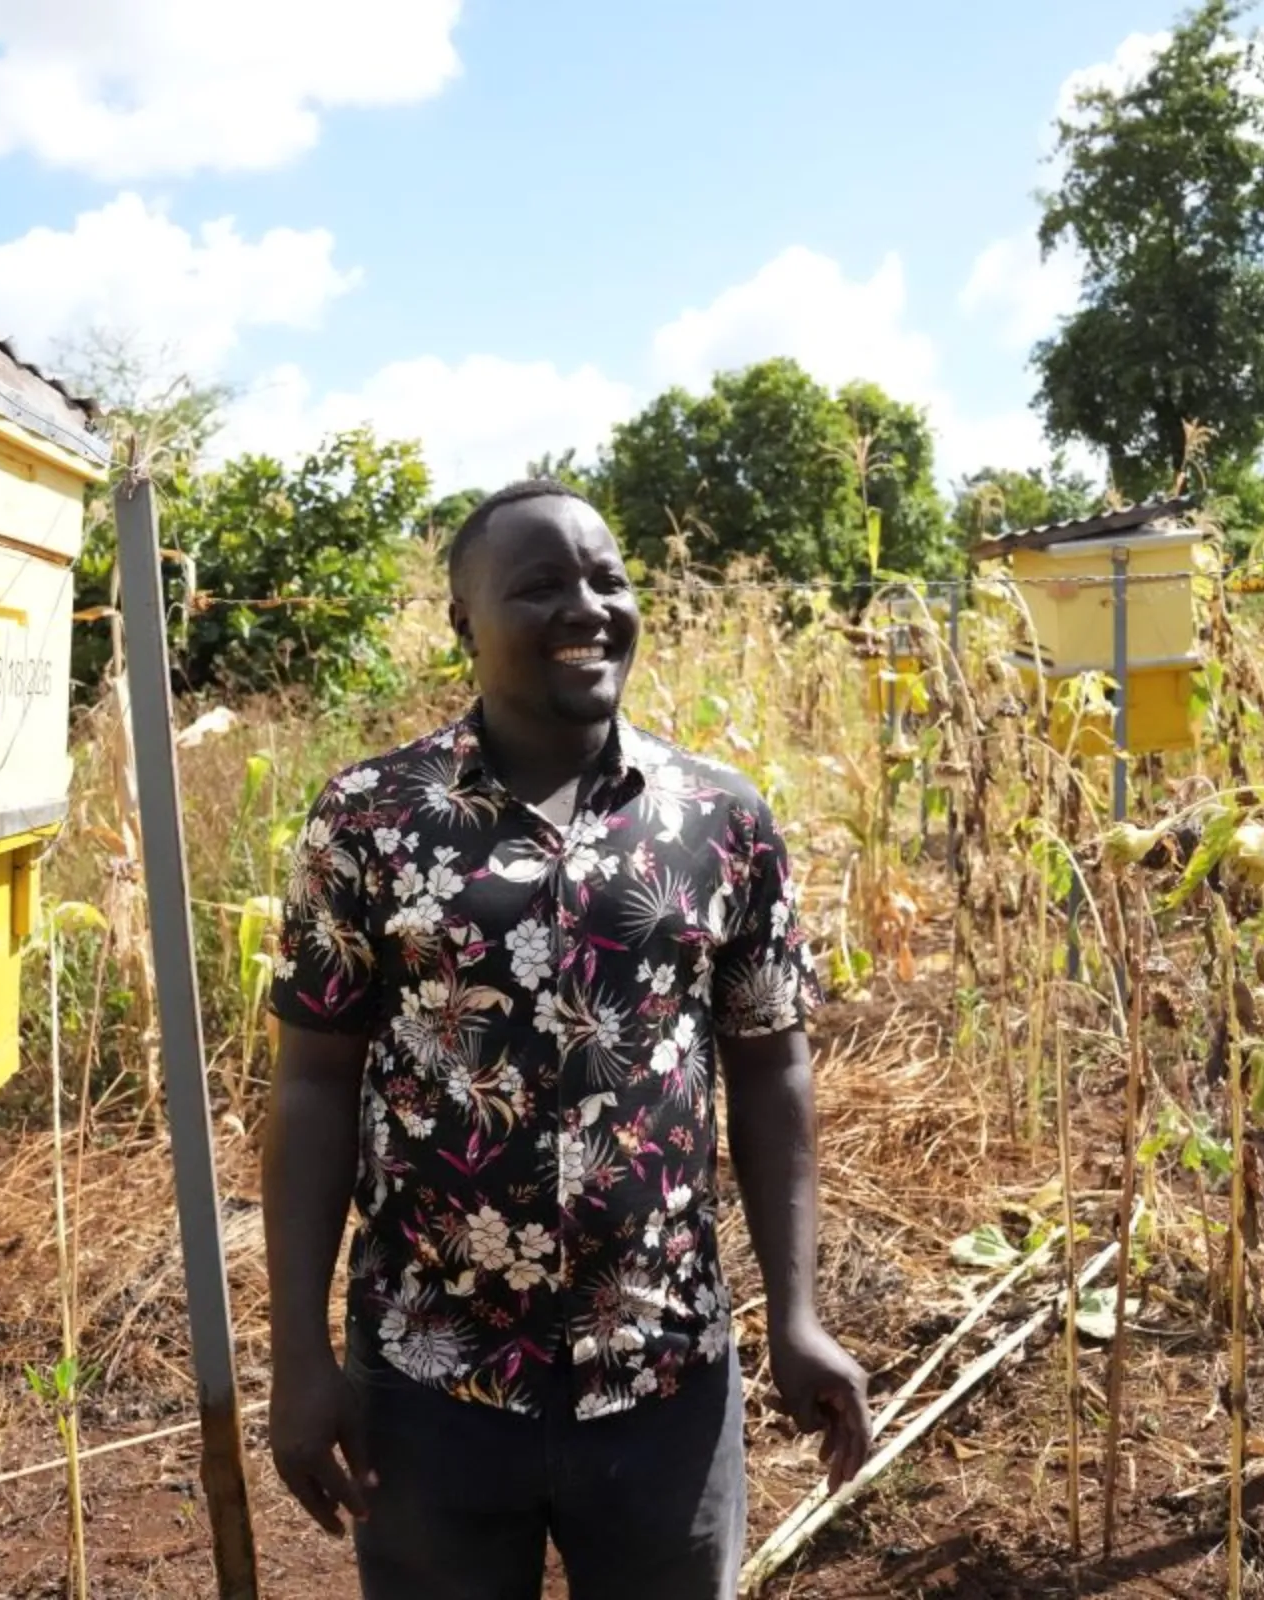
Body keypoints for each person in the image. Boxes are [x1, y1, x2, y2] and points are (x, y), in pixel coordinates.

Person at [260, 478, 871, 1600]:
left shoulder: (718, 818)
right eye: (539, 585)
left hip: (664, 1371)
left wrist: (796, 1315)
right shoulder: (370, 818)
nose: (585, 606)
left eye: (607, 578)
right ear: (462, 620)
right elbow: (311, 1085)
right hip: (430, 1376)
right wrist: (298, 1354)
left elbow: (770, 1063)